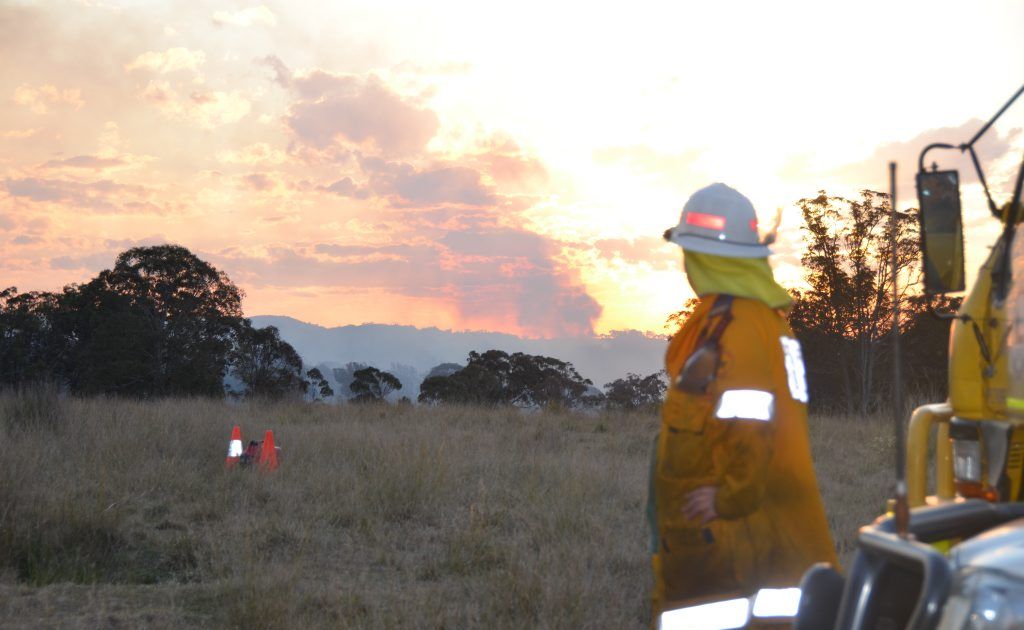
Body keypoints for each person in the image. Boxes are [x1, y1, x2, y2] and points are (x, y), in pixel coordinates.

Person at [648, 183, 837, 620]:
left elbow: (752, 417)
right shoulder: (764, 322)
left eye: (689, 254)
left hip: (731, 534)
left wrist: (728, 499)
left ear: (705, 258)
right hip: (769, 517)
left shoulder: (732, 329)